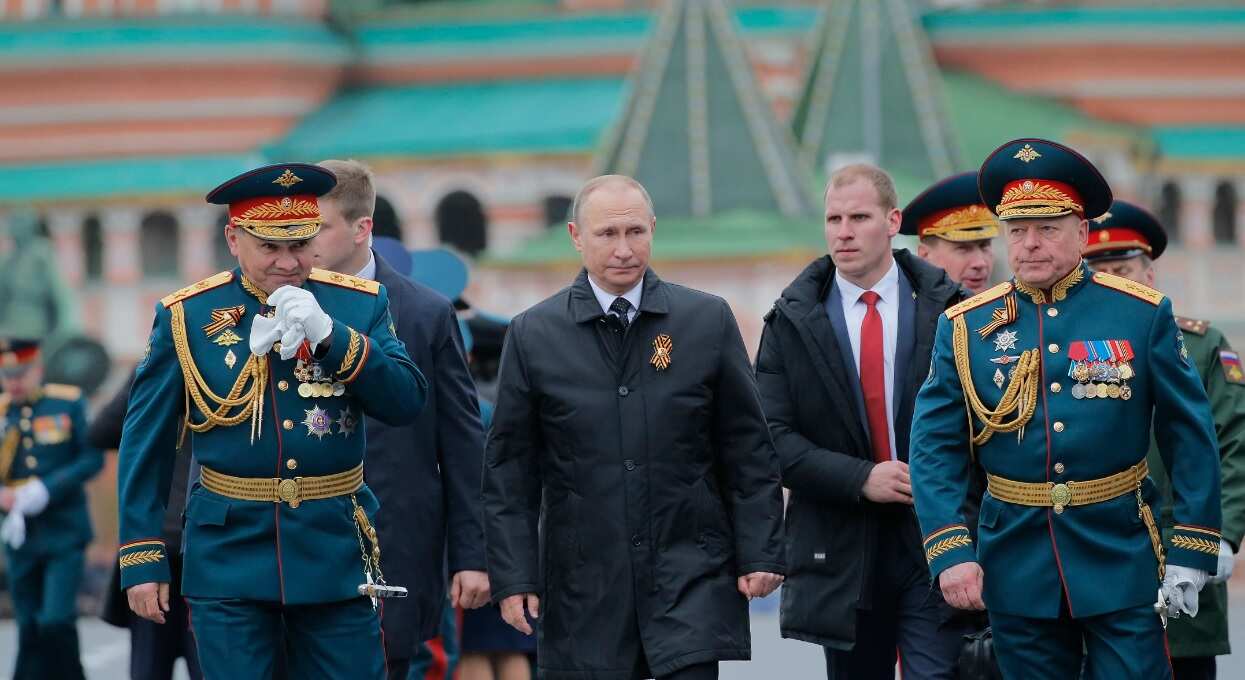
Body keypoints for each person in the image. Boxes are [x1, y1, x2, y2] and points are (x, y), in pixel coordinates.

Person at [910, 138, 1222, 679]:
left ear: (1082, 232)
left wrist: (1192, 548)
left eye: (1047, 229)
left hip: (1119, 551)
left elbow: (1189, 435)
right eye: (1017, 231)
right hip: (1015, 556)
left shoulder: (1139, 314)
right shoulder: (965, 327)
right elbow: (934, 447)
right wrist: (950, 549)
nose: (1029, 244)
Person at [116, 163, 428, 679]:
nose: (289, 262)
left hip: (333, 549)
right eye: (270, 247)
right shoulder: (188, 316)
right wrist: (142, 555)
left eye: (301, 245)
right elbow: (144, 441)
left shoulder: (357, 303)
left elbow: (406, 401)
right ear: (234, 239)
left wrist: (332, 338)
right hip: (229, 551)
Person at [483, 175, 786, 680]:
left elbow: (748, 447)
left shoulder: (704, 321)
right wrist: (514, 577)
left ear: (652, 230)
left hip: (691, 574)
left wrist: (761, 549)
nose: (624, 249)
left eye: (635, 232)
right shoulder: (534, 334)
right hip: (585, 587)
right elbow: (510, 470)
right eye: (607, 234)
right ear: (577, 236)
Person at [754, 164, 968, 679]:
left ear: (893, 221)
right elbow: (771, 439)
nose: (843, 232)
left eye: (859, 217)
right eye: (833, 218)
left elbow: (979, 423)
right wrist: (860, 478)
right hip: (843, 549)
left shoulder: (949, 310)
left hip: (935, 536)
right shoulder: (791, 321)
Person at [312, 159, 490, 679]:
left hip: (400, 539)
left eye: (319, 227)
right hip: (302, 539)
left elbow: (460, 441)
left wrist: (473, 555)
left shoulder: (423, 311)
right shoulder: (274, 306)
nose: (305, 241)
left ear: (362, 227)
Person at [1084, 200, 1245, 680]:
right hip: (1094, 553)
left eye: (1125, 269)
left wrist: (1224, 535)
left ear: (1149, 276)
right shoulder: (1064, 353)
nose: (1116, 281)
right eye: (1102, 271)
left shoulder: (1199, 346)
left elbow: (1235, 443)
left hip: (1182, 547)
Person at [0, 338, 104, 680]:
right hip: (20, 535)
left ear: (38, 371)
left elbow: (91, 458)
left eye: (21, 374)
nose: (14, 382)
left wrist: (48, 488)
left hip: (64, 530)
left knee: (56, 619)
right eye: (8, 375)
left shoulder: (66, 403)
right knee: (29, 626)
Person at [91, 370, 203, 680]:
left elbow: (101, 430)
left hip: (171, 542)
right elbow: (99, 432)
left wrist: (151, 374)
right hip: (174, 546)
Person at [902, 171, 999, 294]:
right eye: (963, 249)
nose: (980, 263)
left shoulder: (1014, 311)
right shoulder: (904, 311)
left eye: (984, 246)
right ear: (925, 256)